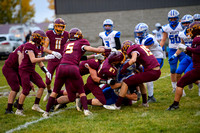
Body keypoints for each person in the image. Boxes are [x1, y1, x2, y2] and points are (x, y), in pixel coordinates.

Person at [42, 28, 115, 117]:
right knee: (79, 93)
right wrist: (110, 50)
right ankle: (86, 111)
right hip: (73, 69)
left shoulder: (67, 44)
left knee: (60, 93)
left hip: (62, 67)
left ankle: (46, 111)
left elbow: (77, 58)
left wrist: (92, 56)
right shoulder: (82, 43)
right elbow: (96, 50)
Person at [15, 30, 61, 116]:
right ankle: (18, 109)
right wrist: (46, 58)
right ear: (37, 38)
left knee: (42, 86)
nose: (44, 41)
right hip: (24, 70)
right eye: (42, 39)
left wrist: (46, 71)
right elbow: (33, 60)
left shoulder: (39, 46)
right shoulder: (29, 45)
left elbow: (40, 60)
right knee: (25, 91)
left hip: (31, 70)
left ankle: (36, 105)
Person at [103, 42, 161, 110]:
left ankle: (117, 106)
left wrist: (124, 68)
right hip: (156, 71)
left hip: (152, 72)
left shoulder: (133, 49)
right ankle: (145, 103)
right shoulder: (140, 46)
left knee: (126, 82)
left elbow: (133, 60)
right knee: (140, 82)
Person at [167, 21, 200, 110]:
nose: (190, 32)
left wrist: (187, 48)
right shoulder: (195, 39)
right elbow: (194, 54)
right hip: (196, 66)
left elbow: (198, 51)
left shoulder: (197, 39)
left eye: (191, 30)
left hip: (198, 69)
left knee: (180, 83)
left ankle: (175, 105)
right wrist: (186, 51)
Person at [134, 23, 164, 103]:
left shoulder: (150, 38)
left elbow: (142, 50)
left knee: (148, 77)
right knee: (137, 74)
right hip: (147, 59)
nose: (138, 34)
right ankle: (137, 93)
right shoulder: (137, 39)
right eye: (137, 33)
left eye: (140, 33)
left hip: (157, 58)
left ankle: (151, 97)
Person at [43, 18, 69, 102]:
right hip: (52, 59)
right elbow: (44, 48)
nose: (60, 29)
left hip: (61, 60)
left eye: (62, 27)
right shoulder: (49, 33)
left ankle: (55, 95)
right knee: (47, 80)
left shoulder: (66, 34)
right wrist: (53, 52)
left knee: (58, 79)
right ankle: (49, 91)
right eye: (58, 26)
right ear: (54, 26)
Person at [160, 9, 185, 93]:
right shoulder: (166, 27)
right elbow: (163, 40)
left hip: (182, 49)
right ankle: (174, 87)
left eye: (174, 18)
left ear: (178, 18)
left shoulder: (182, 26)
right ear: (168, 19)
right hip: (172, 49)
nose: (173, 20)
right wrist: (159, 48)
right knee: (173, 69)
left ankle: (183, 85)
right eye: (171, 19)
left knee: (183, 68)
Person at [168, 14, 194, 92]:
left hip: (196, 56)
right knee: (178, 72)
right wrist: (175, 55)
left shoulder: (197, 32)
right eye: (184, 23)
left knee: (187, 73)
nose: (186, 25)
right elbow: (182, 45)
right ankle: (181, 91)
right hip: (188, 56)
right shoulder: (182, 34)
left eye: (187, 23)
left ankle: (198, 84)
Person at [3, 43, 27, 114]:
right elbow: (20, 57)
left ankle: (18, 103)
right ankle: (8, 109)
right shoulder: (25, 47)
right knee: (15, 88)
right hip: (9, 68)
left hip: (17, 68)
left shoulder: (29, 47)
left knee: (26, 87)